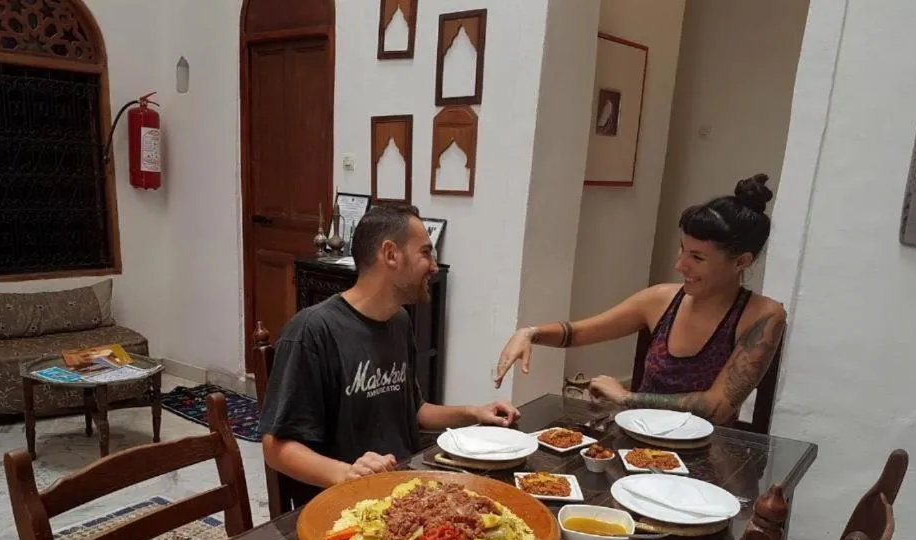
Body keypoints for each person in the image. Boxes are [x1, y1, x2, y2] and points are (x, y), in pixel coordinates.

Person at [260, 203, 519, 505]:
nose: (434, 266)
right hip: (344, 506)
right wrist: (346, 473)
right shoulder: (312, 331)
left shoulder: (399, 321)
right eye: (426, 253)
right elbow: (275, 448)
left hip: (404, 491)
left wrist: (474, 413)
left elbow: (415, 411)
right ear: (391, 254)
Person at [494, 174, 786, 425]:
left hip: (706, 454)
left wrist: (627, 398)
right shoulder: (661, 299)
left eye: (697, 258)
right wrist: (530, 333)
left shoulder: (763, 315)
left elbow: (717, 407)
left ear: (741, 262)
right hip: (636, 441)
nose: (680, 265)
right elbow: (579, 332)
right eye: (682, 250)